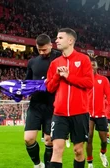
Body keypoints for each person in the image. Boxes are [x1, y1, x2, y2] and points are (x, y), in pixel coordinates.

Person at [46, 28, 93, 168]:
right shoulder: (55, 63)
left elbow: (89, 83)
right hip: (59, 114)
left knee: (78, 150)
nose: (56, 40)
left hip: (80, 113)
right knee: (57, 149)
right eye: (57, 38)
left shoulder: (83, 59)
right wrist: (57, 76)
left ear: (70, 40)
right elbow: (49, 88)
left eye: (60, 38)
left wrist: (69, 76)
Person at [24, 33, 61, 168]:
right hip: (35, 104)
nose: (42, 52)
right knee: (28, 138)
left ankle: (47, 165)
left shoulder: (59, 58)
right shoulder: (32, 62)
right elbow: (27, 83)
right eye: (39, 50)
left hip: (53, 105)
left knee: (49, 140)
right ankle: (37, 164)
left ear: (51, 45)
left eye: (44, 49)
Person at [86, 56, 110, 168]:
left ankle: (102, 153)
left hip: (101, 113)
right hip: (88, 113)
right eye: (90, 65)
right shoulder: (83, 79)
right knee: (89, 136)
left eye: (94, 65)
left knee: (104, 140)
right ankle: (90, 162)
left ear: (97, 67)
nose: (92, 67)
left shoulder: (103, 79)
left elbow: (109, 95)